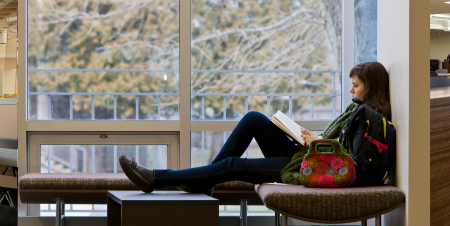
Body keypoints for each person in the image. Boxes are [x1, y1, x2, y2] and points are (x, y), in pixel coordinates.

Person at [119, 62, 392, 194]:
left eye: (356, 84)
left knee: (232, 165)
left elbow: (351, 162)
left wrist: (314, 143)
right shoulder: (358, 112)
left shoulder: (371, 117)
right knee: (253, 118)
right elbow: (342, 147)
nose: (350, 89)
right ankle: (203, 182)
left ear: (372, 86)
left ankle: (157, 178)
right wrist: (306, 140)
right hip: (310, 158)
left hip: (313, 169)